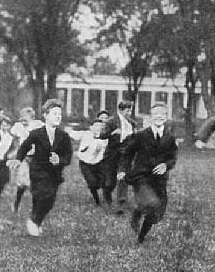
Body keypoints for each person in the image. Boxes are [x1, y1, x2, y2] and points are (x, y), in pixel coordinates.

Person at [7, 99, 73, 237]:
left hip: (55, 174)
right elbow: (24, 146)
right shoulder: (36, 133)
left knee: (48, 200)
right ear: (45, 115)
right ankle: (34, 221)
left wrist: (59, 160)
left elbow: (68, 156)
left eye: (60, 114)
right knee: (43, 194)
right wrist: (18, 159)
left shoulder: (64, 136)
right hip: (38, 170)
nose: (58, 117)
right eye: (54, 113)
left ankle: (36, 220)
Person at [118, 102, 178, 244]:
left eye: (162, 114)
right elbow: (127, 153)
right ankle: (140, 238)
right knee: (152, 204)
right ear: (150, 117)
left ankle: (138, 214)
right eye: (156, 114)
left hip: (159, 180)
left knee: (157, 214)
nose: (159, 116)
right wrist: (122, 170)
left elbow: (173, 157)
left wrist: (166, 165)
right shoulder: (141, 135)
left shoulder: (170, 137)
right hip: (141, 177)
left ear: (166, 117)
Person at [99, 101, 137, 209]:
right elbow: (102, 135)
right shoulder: (111, 122)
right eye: (127, 110)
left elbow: (136, 138)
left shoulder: (132, 123)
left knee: (122, 176)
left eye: (130, 110)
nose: (129, 113)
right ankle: (107, 197)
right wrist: (113, 133)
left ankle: (121, 201)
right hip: (112, 154)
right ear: (120, 110)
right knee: (110, 181)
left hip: (125, 154)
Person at [9, 107, 44, 212]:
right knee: (23, 181)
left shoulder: (38, 125)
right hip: (24, 157)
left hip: (37, 157)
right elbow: (12, 137)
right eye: (21, 118)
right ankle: (16, 204)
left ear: (32, 118)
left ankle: (37, 206)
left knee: (36, 181)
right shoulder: (17, 127)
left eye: (26, 119)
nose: (23, 121)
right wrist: (15, 149)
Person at [69, 119, 108, 205]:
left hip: (98, 163)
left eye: (100, 126)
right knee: (92, 182)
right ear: (91, 127)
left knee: (104, 181)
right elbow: (71, 134)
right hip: (85, 163)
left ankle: (106, 199)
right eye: (96, 126)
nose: (98, 128)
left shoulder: (105, 138)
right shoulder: (85, 134)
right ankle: (97, 200)